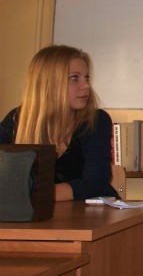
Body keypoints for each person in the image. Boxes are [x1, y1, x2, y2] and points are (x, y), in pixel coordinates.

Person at [0, 44, 118, 201]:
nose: (86, 86)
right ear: (49, 83)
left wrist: (34, 194)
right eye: (74, 78)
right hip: (35, 214)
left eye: (87, 78)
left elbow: (96, 183)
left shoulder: (95, 120)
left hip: (91, 213)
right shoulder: (17, 120)